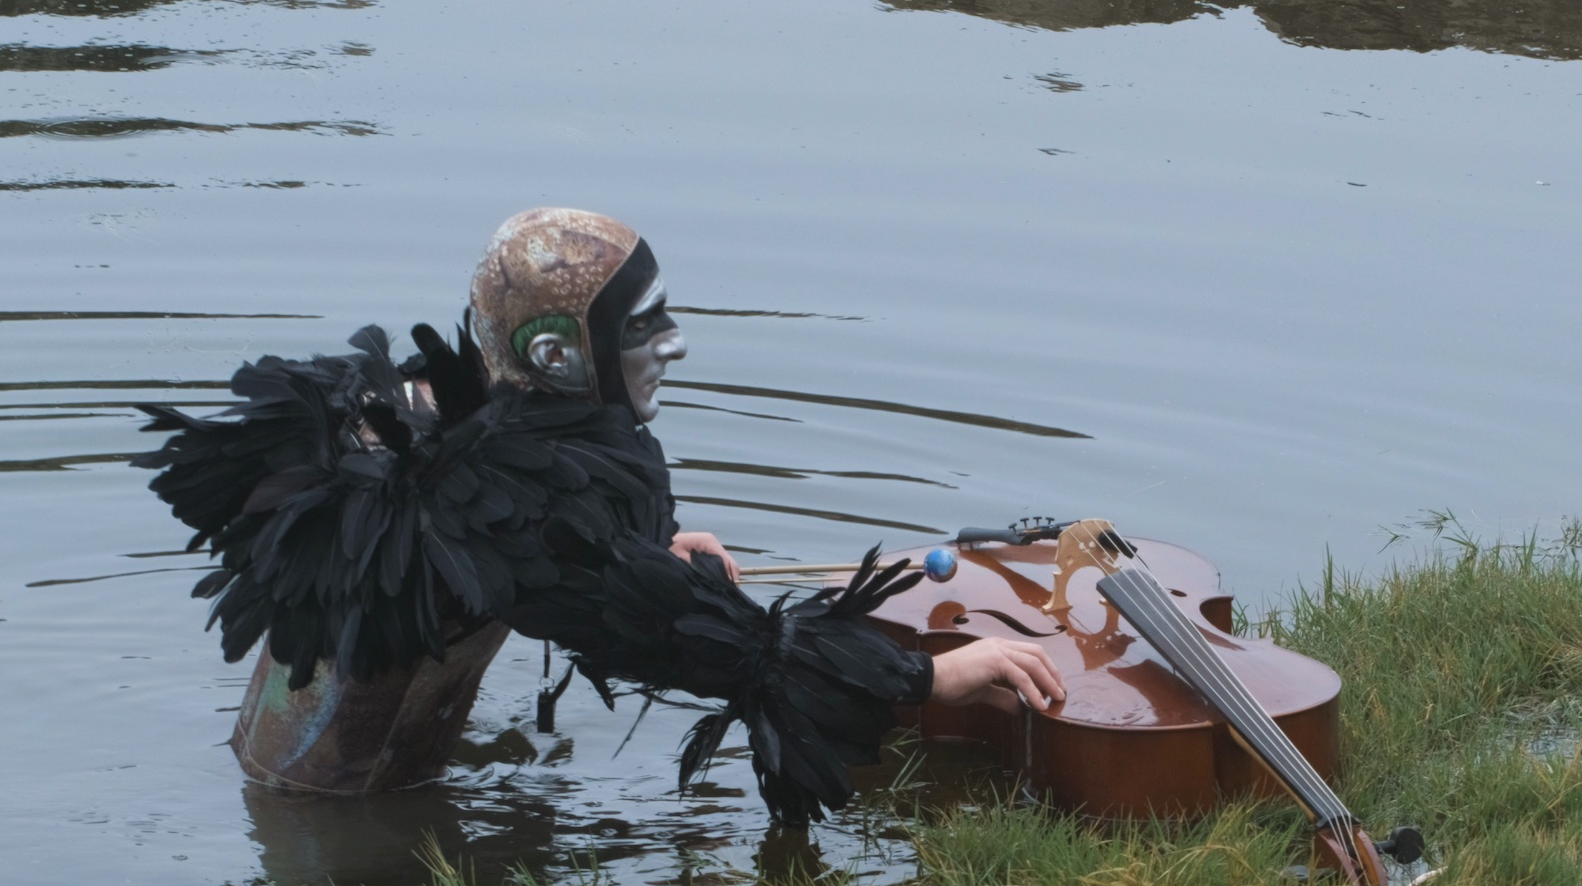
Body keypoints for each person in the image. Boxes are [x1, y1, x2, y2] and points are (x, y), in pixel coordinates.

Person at [137, 207, 1061, 822]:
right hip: (340, 815)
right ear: (559, 350)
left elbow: (529, 543)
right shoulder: (503, 502)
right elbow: (738, 657)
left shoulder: (449, 419)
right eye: (640, 326)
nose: (673, 344)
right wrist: (925, 679)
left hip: (316, 769)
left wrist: (642, 546)